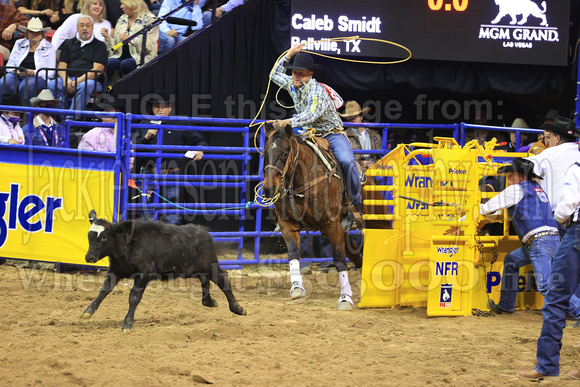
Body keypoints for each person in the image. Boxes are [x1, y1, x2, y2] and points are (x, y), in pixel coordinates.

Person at [270, 43, 362, 230]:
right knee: (279, 153)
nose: (296, 76)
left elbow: (311, 115)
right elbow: (274, 74)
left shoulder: (317, 91)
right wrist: (289, 54)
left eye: (301, 73)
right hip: (306, 132)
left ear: (309, 74)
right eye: (294, 72)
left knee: (347, 161)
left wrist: (288, 122)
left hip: (330, 133)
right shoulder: (293, 84)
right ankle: (284, 207)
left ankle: (353, 205)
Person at [477, 158, 580, 321]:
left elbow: (486, 208)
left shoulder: (515, 190)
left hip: (538, 242)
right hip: (552, 239)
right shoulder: (538, 188)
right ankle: (505, 304)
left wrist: (468, 213)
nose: (508, 178)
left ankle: (578, 311)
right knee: (511, 260)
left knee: (546, 285)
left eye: (511, 175)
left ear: (520, 176)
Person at [517, 158, 580, 382]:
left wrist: (562, 220)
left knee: (554, 297)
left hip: (574, 233)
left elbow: (566, 207)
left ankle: (546, 365)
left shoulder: (576, 168)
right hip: (553, 237)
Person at [134, 90, 207, 225]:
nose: (160, 109)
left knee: (172, 211)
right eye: (157, 106)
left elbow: (200, 141)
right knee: (146, 211)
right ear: (153, 108)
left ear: (170, 108)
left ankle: (173, 244)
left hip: (171, 173)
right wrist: (146, 137)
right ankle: (146, 244)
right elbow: (134, 148)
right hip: (149, 173)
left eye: (164, 106)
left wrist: (199, 149)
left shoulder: (181, 124)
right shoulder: (144, 123)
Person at [526, 116, 580, 236]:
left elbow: (526, 167)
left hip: (558, 217)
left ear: (557, 139)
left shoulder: (549, 154)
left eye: (549, 137)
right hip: (577, 217)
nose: (547, 141)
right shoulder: (578, 151)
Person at [48, 15, 108, 113]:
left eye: (88, 25)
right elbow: (62, 66)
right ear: (77, 27)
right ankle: (64, 116)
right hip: (69, 78)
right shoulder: (68, 43)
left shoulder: (100, 45)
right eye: (82, 25)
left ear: (92, 27)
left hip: (90, 81)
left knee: (85, 85)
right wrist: (66, 80)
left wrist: (77, 82)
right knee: (52, 85)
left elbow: (97, 71)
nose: (85, 28)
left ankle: (71, 118)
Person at [0, 17, 56, 99]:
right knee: (4, 81)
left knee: (26, 85)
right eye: (31, 32)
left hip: (38, 77)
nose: (34, 34)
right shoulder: (19, 43)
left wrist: (32, 72)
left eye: (38, 32)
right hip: (17, 74)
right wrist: (15, 70)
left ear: (42, 34)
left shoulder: (49, 47)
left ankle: (26, 111)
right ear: (27, 33)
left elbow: (51, 73)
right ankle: (6, 110)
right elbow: (10, 65)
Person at [102, 0, 158, 79]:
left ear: (132, 4)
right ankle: (105, 87)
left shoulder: (150, 20)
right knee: (109, 62)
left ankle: (131, 87)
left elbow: (149, 46)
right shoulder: (122, 18)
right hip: (120, 55)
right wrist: (108, 39)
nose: (121, 7)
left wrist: (131, 40)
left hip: (141, 57)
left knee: (126, 64)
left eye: (123, 4)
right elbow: (115, 46)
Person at [78, 93, 134, 169]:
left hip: (119, 175)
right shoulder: (93, 134)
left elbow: (129, 161)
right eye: (109, 111)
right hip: (96, 175)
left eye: (118, 111)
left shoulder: (124, 136)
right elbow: (84, 160)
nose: (116, 115)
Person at [340, 100, 383, 172]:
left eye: (355, 116)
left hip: (374, 172)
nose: (352, 120)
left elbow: (381, 156)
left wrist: (375, 164)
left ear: (361, 117)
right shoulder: (343, 136)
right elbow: (342, 158)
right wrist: (360, 163)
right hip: (355, 172)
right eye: (350, 117)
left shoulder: (375, 135)